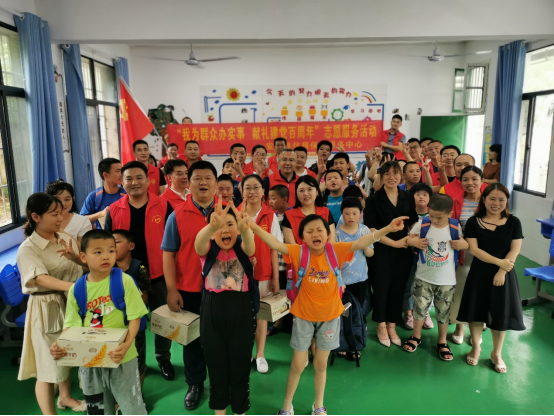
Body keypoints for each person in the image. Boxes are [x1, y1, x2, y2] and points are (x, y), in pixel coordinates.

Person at [245, 213, 406, 416]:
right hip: (303, 317)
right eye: (309, 231)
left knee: (321, 365)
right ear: (303, 237)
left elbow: (361, 242)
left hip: (330, 318)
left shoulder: (335, 250)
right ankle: (287, 405)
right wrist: (253, 226)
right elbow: (275, 243)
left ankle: (319, 405)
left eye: (320, 230)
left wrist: (387, 229)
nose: (315, 234)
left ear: (328, 234)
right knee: (297, 365)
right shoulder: (298, 251)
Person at [50, 230, 148, 415]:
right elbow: (71, 326)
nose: (106, 256)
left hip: (121, 357)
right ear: (83, 257)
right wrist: (60, 344)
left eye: (111, 251)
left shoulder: (125, 282)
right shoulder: (77, 289)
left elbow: (135, 317)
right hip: (90, 360)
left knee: (132, 407)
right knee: (98, 409)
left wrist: (127, 345)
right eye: (98, 252)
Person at [104, 161, 176, 382]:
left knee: (163, 319)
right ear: (122, 181)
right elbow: (107, 244)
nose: (134, 182)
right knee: (129, 320)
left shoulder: (163, 205)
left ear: (148, 180)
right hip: (125, 277)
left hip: (158, 274)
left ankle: (163, 357)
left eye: (139, 177)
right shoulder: (114, 209)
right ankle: (135, 360)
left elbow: (175, 241)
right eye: (129, 178)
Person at [17, 193, 86, 414]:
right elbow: (40, 279)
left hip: (70, 304)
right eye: (54, 214)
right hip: (46, 306)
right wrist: (73, 288)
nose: (60, 218)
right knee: (48, 368)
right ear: (35, 217)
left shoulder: (64, 237)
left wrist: (77, 260)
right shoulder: (28, 249)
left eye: (61, 213)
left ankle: (65, 397)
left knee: (66, 354)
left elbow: (81, 265)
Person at [161, 161, 220, 410]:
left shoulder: (229, 213)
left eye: (208, 178)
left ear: (216, 183)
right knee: (192, 340)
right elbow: (168, 254)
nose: (203, 183)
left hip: (223, 290)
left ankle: (219, 381)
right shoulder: (176, 215)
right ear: (189, 182)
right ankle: (195, 383)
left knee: (220, 339)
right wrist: (172, 289)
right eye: (197, 178)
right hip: (189, 289)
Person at [194, 201, 257, 415]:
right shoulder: (208, 250)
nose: (225, 230)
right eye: (219, 226)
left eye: (230, 224)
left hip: (242, 310)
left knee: (240, 367)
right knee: (216, 367)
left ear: (237, 228)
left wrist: (245, 228)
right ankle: (219, 410)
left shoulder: (243, 248)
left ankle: (239, 409)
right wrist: (211, 226)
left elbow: (250, 245)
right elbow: (198, 242)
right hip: (212, 311)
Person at [458, 183, 525, 373]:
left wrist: (502, 271)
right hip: (480, 272)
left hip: (504, 274)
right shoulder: (473, 222)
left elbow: (515, 250)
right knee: (476, 311)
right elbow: (474, 249)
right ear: (484, 200)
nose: (496, 203)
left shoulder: (514, 222)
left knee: (500, 313)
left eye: (501, 199)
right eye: (492, 199)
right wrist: (499, 263)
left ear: (507, 201)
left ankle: (497, 353)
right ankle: (476, 347)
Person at [404, 194, 469, 361]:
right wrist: (413, 242)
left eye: (439, 217)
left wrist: (464, 245)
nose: (434, 220)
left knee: (443, 312)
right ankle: (416, 336)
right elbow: (408, 239)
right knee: (420, 309)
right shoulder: (423, 224)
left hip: (447, 279)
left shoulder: (454, 227)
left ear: (450, 214)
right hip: (423, 277)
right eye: (431, 215)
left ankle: (442, 341)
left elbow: (465, 243)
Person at [364, 161, 419, 347]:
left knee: (398, 289)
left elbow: (413, 222)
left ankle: (392, 325)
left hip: (403, 251)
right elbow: (372, 229)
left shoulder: (408, 197)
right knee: (381, 289)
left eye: (395, 173)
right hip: (381, 251)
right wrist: (394, 243)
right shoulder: (373, 200)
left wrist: (412, 238)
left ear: (401, 175)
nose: (391, 177)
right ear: (381, 176)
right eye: (387, 174)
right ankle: (381, 325)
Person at [240, 175, 283, 374]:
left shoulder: (270, 215)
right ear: (242, 191)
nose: (252, 191)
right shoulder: (236, 213)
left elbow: (274, 248)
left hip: (263, 273)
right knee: (243, 316)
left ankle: (260, 354)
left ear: (263, 191)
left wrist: (275, 277)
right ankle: (247, 352)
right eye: (247, 187)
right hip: (239, 275)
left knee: (261, 315)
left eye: (256, 187)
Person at [450, 166, 488, 345]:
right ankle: (459, 326)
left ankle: (476, 331)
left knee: (480, 292)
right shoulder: (456, 201)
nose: (470, 183)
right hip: (462, 254)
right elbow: (451, 226)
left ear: (482, 181)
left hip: (485, 254)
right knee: (460, 290)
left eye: (474, 179)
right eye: (465, 179)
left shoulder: (489, 201)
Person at [112, 229, 153, 390]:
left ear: (131, 246)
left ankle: (139, 393)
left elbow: (144, 298)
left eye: (116, 242)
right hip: (114, 324)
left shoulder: (139, 268)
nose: (112, 246)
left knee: (138, 359)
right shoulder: (107, 269)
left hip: (135, 323)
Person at [336, 197, 374, 353]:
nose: (350, 217)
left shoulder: (365, 230)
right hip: (343, 282)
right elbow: (335, 259)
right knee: (342, 313)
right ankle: (342, 343)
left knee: (357, 312)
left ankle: (355, 344)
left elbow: (370, 253)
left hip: (360, 280)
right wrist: (339, 280)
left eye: (354, 213)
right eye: (346, 213)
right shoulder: (337, 233)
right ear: (341, 214)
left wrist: (365, 246)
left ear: (360, 213)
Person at [403, 183, 434, 330]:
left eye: (425, 194)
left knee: (426, 285)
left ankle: (424, 311)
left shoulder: (433, 216)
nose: (421, 197)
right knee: (410, 284)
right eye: (418, 194)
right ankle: (408, 312)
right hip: (410, 255)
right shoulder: (407, 215)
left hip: (428, 257)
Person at [282, 176, 336, 246]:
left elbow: (331, 239)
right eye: (301, 190)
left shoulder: (326, 211)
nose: (306, 194)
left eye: (310, 189)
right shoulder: (288, 215)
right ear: (296, 193)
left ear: (317, 192)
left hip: (324, 253)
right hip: (299, 253)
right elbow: (291, 244)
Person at [267, 185, 292, 336]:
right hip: (277, 262)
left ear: (285, 199)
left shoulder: (292, 215)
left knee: (289, 292)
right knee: (279, 292)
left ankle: (288, 320)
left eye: (273, 198)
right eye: (269, 198)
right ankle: (279, 321)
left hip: (289, 263)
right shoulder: (273, 216)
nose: (270, 201)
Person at [80, 158, 127, 230]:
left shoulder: (127, 194)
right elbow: (81, 220)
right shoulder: (94, 196)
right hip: (102, 236)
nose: (122, 174)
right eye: (118, 171)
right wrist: (101, 214)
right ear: (106, 175)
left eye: (122, 171)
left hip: (124, 235)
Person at [45, 179, 93, 245]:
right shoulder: (43, 220)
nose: (63, 204)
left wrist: (62, 232)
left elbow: (83, 249)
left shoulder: (83, 221)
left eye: (67, 199)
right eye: (57, 200)